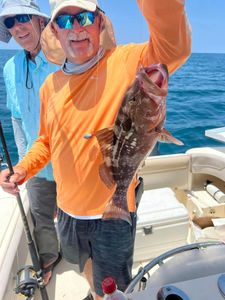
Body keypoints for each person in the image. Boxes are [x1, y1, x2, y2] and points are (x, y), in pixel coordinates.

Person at [0, 0, 191, 298]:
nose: (75, 28)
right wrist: (23, 168)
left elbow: (173, 46)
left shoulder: (129, 62)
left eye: (84, 17)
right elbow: (46, 141)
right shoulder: (50, 85)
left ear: (100, 23)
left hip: (111, 212)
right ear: (54, 31)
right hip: (67, 210)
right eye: (64, 21)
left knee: (114, 283)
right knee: (82, 264)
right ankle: (94, 291)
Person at [0, 0, 61, 285]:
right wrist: (23, 164)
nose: (16, 27)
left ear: (40, 21)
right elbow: (15, 118)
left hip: (69, 161)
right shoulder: (10, 67)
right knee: (41, 215)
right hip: (35, 165)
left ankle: (88, 261)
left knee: (79, 216)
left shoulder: (66, 57)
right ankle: (49, 258)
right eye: (9, 22)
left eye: (22, 17)